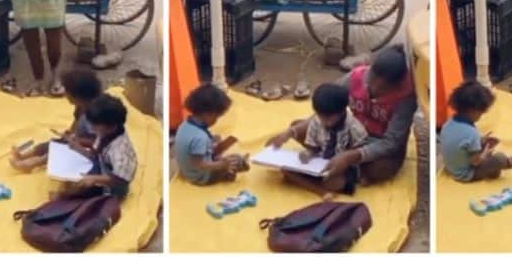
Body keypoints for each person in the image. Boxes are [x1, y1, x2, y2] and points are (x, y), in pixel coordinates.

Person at [268, 45, 416, 185]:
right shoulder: (356, 77)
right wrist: (290, 132)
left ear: (396, 86)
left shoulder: (405, 99)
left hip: (376, 145)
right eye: (371, 82)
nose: (374, 89)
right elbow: (327, 106)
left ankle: (347, 170)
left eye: (382, 88)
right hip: (347, 135)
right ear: (370, 72)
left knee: (383, 167)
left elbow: (391, 143)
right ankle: (338, 164)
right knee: (298, 126)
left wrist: (353, 156)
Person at [279, 84, 369, 198]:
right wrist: (308, 154)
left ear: (341, 112)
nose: (324, 121)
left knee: (334, 182)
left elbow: (359, 154)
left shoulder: (355, 128)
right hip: (319, 163)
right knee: (286, 170)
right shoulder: (317, 121)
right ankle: (321, 191)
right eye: (321, 116)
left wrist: (345, 163)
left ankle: (319, 187)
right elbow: (313, 147)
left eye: (328, 118)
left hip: (341, 168)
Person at [9, 69, 102, 171]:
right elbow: (76, 119)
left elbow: (98, 141)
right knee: (52, 143)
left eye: (67, 91)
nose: (65, 94)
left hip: (90, 148)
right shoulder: (81, 106)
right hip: (77, 138)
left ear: (77, 96)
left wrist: (78, 140)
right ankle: (26, 154)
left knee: (59, 150)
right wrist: (70, 132)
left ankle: (31, 164)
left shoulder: (94, 116)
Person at [440, 80, 512, 182]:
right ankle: (507, 163)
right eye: (481, 113)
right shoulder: (471, 133)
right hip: (466, 174)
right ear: (473, 111)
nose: (481, 116)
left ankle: (492, 169)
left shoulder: (448, 124)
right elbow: (475, 162)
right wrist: (486, 153)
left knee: (483, 149)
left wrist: (482, 140)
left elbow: (460, 142)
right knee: (499, 158)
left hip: (451, 167)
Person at [65, 94, 138, 198]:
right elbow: (94, 154)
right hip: (102, 168)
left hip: (113, 186)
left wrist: (94, 179)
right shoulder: (103, 133)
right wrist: (77, 148)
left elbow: (120, 179)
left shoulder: (121, 150)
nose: (91, 128)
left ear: (111, 126)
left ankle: (64, 197)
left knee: (79, 190)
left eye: (95, 125)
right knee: (73, 177)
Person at [175, 84, 249, 185]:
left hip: (189, 170)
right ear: (207, 114)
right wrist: (221, 165)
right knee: (234, 161)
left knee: (225, 155)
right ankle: (230, 173)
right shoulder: (200, 137)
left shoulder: (185, 125)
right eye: (216, 117)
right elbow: (199, 164)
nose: (216, 121)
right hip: (200, 177)